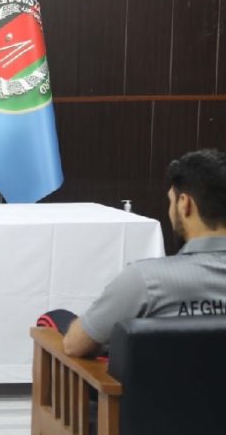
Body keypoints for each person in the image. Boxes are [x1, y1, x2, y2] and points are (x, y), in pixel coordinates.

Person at [61, 149, 226, 357]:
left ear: (185, 204)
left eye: (171, 201)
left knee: (57, 318)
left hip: (165, 379)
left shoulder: (146, 280)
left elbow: (75, 345)